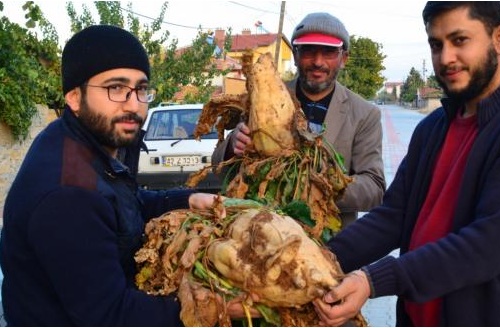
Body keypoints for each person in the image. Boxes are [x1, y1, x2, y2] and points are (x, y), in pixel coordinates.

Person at [313, 2, 500, 326]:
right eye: (436, 44)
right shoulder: (434, 126)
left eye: (460, 40)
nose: (446, 57)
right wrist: (317, 259)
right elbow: (394, 216)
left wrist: (372, 280)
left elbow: (489, 245)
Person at [0, 24, 218, 326]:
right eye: (115, 88)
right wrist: (217, 308)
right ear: (75, 97)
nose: (133, 104)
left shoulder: (84, 140)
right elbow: (111, 315)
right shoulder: (68, 193)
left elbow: (123, 203)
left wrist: (189, 198)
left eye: (141, 89)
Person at [212, 12, 386, 228]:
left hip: (330, 245)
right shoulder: (263, 98)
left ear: (344, 58)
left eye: (329, 52)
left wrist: (315, 187)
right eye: (308, 51)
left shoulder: (364, 114)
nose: (318, 62)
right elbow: (217, 168)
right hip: (261, 234)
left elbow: (374, 188)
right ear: (295, 54)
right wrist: (232, 145)